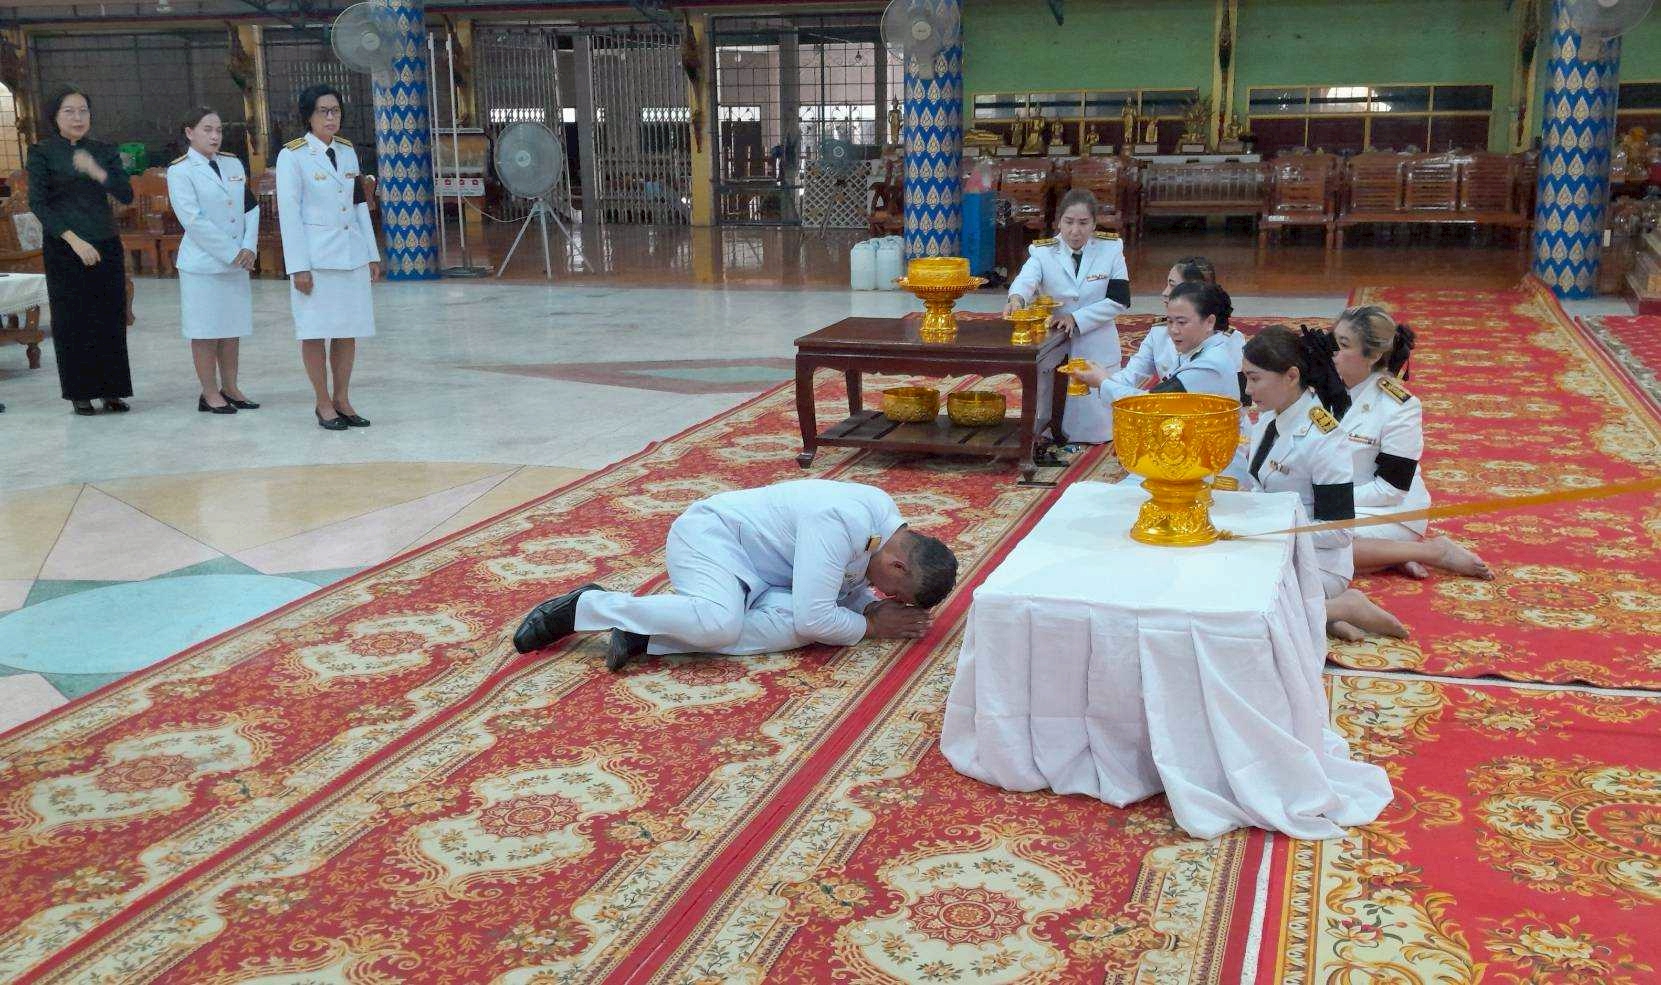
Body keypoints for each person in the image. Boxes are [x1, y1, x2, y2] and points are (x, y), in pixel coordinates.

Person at [512, 479, 960, 672]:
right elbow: (821, 611)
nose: (882, 594)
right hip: (714, 541)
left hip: (768, 578)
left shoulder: (887, 527)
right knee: (723, 624)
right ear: (899, 565)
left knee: (800, 630)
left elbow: (845, 587)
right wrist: (871, 624)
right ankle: (586, 606)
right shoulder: (841, 521)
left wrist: (865, 610)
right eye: (893, 591)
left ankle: (646, 635)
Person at [1242, 325, 1406, 641]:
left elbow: (1339, 531)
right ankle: (1322, 616)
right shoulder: (1270, 416)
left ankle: (1344, 606)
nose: (1248, 389)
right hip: (1271, 545)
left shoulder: (1323, 437)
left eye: (1255, 378)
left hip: (1316, 562)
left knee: (1244, 607)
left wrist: (1272, 527)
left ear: (1291, 376)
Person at [1330, 305, 1492, 580]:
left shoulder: (1399, 406)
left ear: (1373, 355)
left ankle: (1433, 551)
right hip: (1339, 504)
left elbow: (1390, 489)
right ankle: (1391, 555)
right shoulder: (1322, 390)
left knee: (1316, 546)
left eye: (1343, 345)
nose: (1332, 352)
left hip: (1389, 510)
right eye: (1331, 341)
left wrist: (1325, 497)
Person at [1068, 281, 1250, 480]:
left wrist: (1103, 382)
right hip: (1186, 456)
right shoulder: (1200, 350)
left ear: (1209, 322)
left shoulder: (1210, 364)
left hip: (1208, 468)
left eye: (1182, 322)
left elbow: (1149, 404)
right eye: (1170, 322)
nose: (1173, 330)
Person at [276, 84, 380, 431]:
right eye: (323, 111)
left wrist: (371, 254)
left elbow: (359, 204)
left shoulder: (347, 151)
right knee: (314, 331)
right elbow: (289, 215)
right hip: (316, 260)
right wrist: (298, 267)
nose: (331, 117)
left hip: (351, 255)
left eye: (335, 110)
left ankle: (343, 399)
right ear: (309, 115)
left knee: (348, 330)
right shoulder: (292, 155)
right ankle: (323, 403)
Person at [27, 87, 134, 416]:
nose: (78, 117)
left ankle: (112, 390)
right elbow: (39, 203)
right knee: (73, 320)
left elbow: (125, 194)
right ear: (55, 116)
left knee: (109, 317)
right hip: (65, 247)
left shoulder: (103, 150)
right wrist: (74, 240)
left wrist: (96, 171)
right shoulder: (42, 152)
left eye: (83, 110)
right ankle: (81, 392)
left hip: (105, 242)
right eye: (69, 111)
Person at [1002, 188, 1129, 444]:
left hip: (1096, 341)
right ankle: (1049, 431)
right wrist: (1016, 298)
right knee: (1049, 409)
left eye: (1083, 223)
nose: (1075, 231)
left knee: (1097, 428)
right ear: (1058, 222)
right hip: (1056, 341)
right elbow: (1026, 280)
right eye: (1069, 222)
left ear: (1094, 224)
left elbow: (1119, 300)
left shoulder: (1111, 249)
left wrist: (1077, 318)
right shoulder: (1043, 251)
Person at [167, 107, 260, 415]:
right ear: (189, 132)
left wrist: (248, 246)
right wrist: (233, 252)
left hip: (237, 262)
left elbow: (250, 207)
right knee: (205, 330)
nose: (215, 136)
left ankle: (230, 387)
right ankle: (209, 392)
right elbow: (193, 220)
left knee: (231, 328)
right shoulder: (180, 171)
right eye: (207, 129)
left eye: (218, 130)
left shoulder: (232, 163)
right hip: (203, 265)